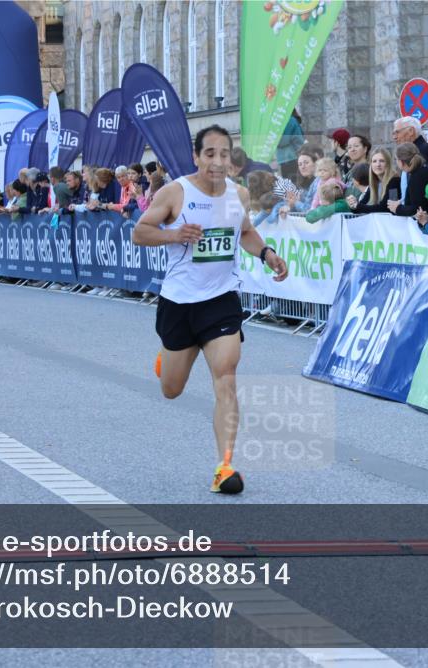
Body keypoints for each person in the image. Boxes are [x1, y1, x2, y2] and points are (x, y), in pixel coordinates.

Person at [132, 125, 288, 494]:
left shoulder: (239, 195)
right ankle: (167, 357)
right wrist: (174, 235)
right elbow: (140, 232)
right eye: (210, 154)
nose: (218, 162)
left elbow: (245, 231)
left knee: (226, 377)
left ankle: (225, 467)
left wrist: (267, 254)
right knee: (171, 390)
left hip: (221, 301)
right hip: (179, 303)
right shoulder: (176, 193)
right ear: (196, 157)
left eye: (224, 154)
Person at [389, 142, 428, 217]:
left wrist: (397, 209)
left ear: (401, 162)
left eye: (396, 159)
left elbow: (417, 208)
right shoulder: (426, 169)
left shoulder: (417, 176)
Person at [351, 148, 398, 214]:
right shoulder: (374, 183)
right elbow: (360, 206)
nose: (378, 165)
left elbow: (386, 208)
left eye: (382, 161)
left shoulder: (394, 181)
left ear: (388, 164)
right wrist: (353, 205)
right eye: (374, 161)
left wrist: (358, 205)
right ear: (371, 165)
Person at [276, 109, 305, 181]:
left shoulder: (288, 120)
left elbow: (282, 141)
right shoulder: (291, 120)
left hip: (291, 158)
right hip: (290, 158)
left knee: (292, 186)